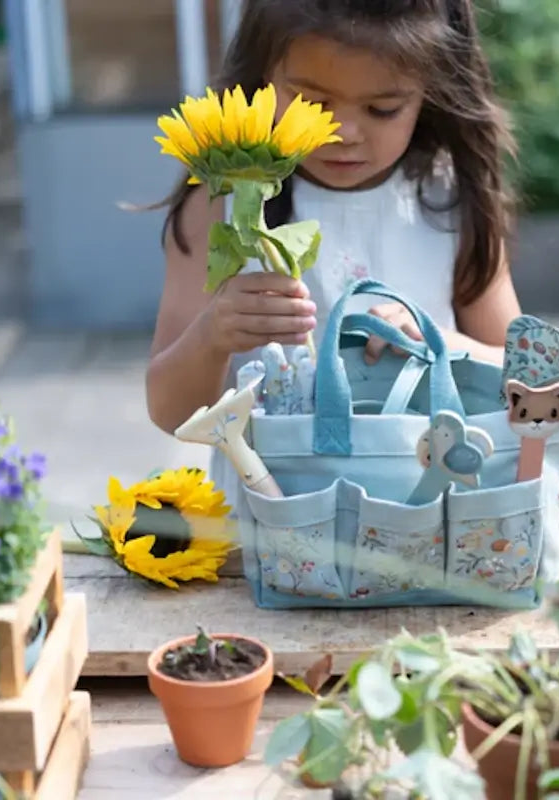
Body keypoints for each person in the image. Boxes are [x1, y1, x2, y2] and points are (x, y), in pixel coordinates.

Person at [146, 0, 522, 496]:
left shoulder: (448, 201)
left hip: (427, 521)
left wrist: (441, 344)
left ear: (429, 95)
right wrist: (213, 336)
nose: (344, 132)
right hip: (271, 522)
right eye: (312, 103)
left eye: (382, 109)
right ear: (262, 80)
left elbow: (526, 377)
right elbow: (172, 413)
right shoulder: (220, 204)